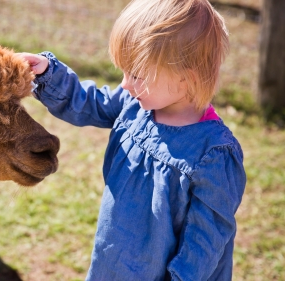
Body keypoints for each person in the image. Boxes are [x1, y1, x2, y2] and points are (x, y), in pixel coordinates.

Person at [17, 0, 246, 280]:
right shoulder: (135, 104)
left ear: (186, 78)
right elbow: (90, 103)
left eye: (136, 74)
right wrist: (48, 74)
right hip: (114, 259)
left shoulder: (213, 155)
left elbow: (205, 242)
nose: (125, 84)